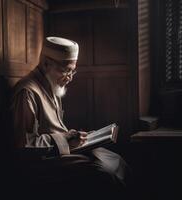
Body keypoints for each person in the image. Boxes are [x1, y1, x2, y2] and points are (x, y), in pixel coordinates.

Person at [10, 36, 130, 199]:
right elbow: (26, 145)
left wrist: (76, 137)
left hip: (61, 151)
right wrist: (66, 138)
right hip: (42, 162)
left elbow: (55, 130)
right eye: (66, 70)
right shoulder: (28, 92)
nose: (70, 77)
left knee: (115, 159)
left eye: (73, 71)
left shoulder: (51, 85)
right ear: (46, 64)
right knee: (104, 171)